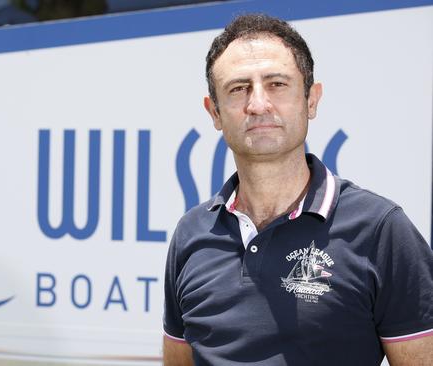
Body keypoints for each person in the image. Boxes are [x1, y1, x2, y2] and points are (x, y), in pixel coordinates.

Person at [163, 14, 433, 365]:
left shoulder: (382, 230)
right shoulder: (191, 234)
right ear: (214, 111)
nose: (258, 104)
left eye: (277, 84)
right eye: (238, 88)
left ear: (311, 100)